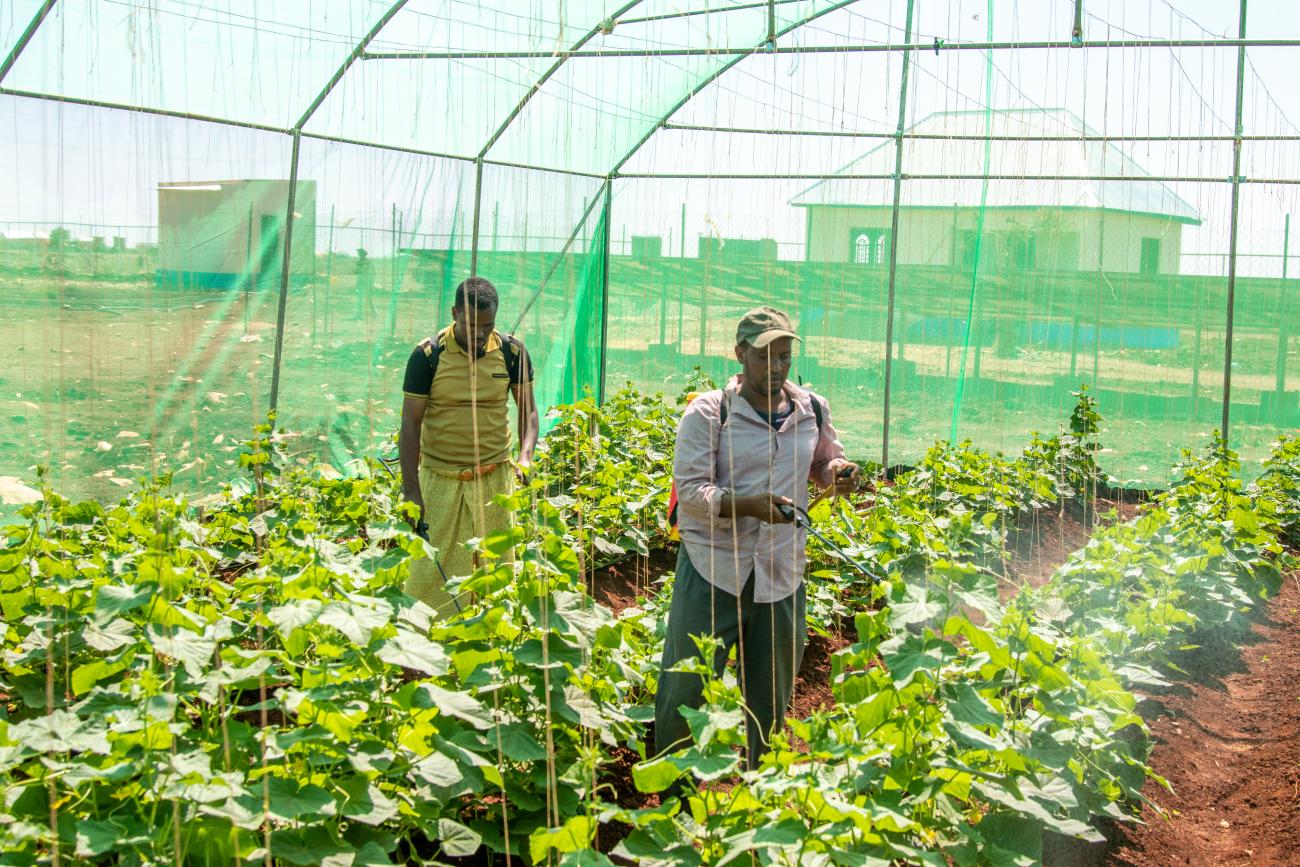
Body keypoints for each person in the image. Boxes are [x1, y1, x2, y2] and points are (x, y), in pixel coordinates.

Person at [654, 306, 859, 772]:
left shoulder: (811, 409)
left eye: (784, 357)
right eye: (765, 357)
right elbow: (689, 492)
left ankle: (760, 790)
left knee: (770, 697)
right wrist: (748, 505)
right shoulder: (710, 412)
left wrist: (838, 475)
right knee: (686, 686)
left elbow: (824, 464)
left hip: (780, 572)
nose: (776, 368)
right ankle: (670, 793)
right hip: (714, 569)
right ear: (740, 354)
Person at [399, 276, 539, 615]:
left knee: (496, 568)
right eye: (471, 324)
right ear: (455, 313)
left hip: (494, 479)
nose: (479, 334)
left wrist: (525, 456)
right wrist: (411, 491)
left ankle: (489, 640)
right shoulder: (427, 357)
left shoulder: (512, 352)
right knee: (429, 570)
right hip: (440, 479)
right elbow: (409, 426)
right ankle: (427, 647)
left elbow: (529, 412)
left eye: (487, 326)